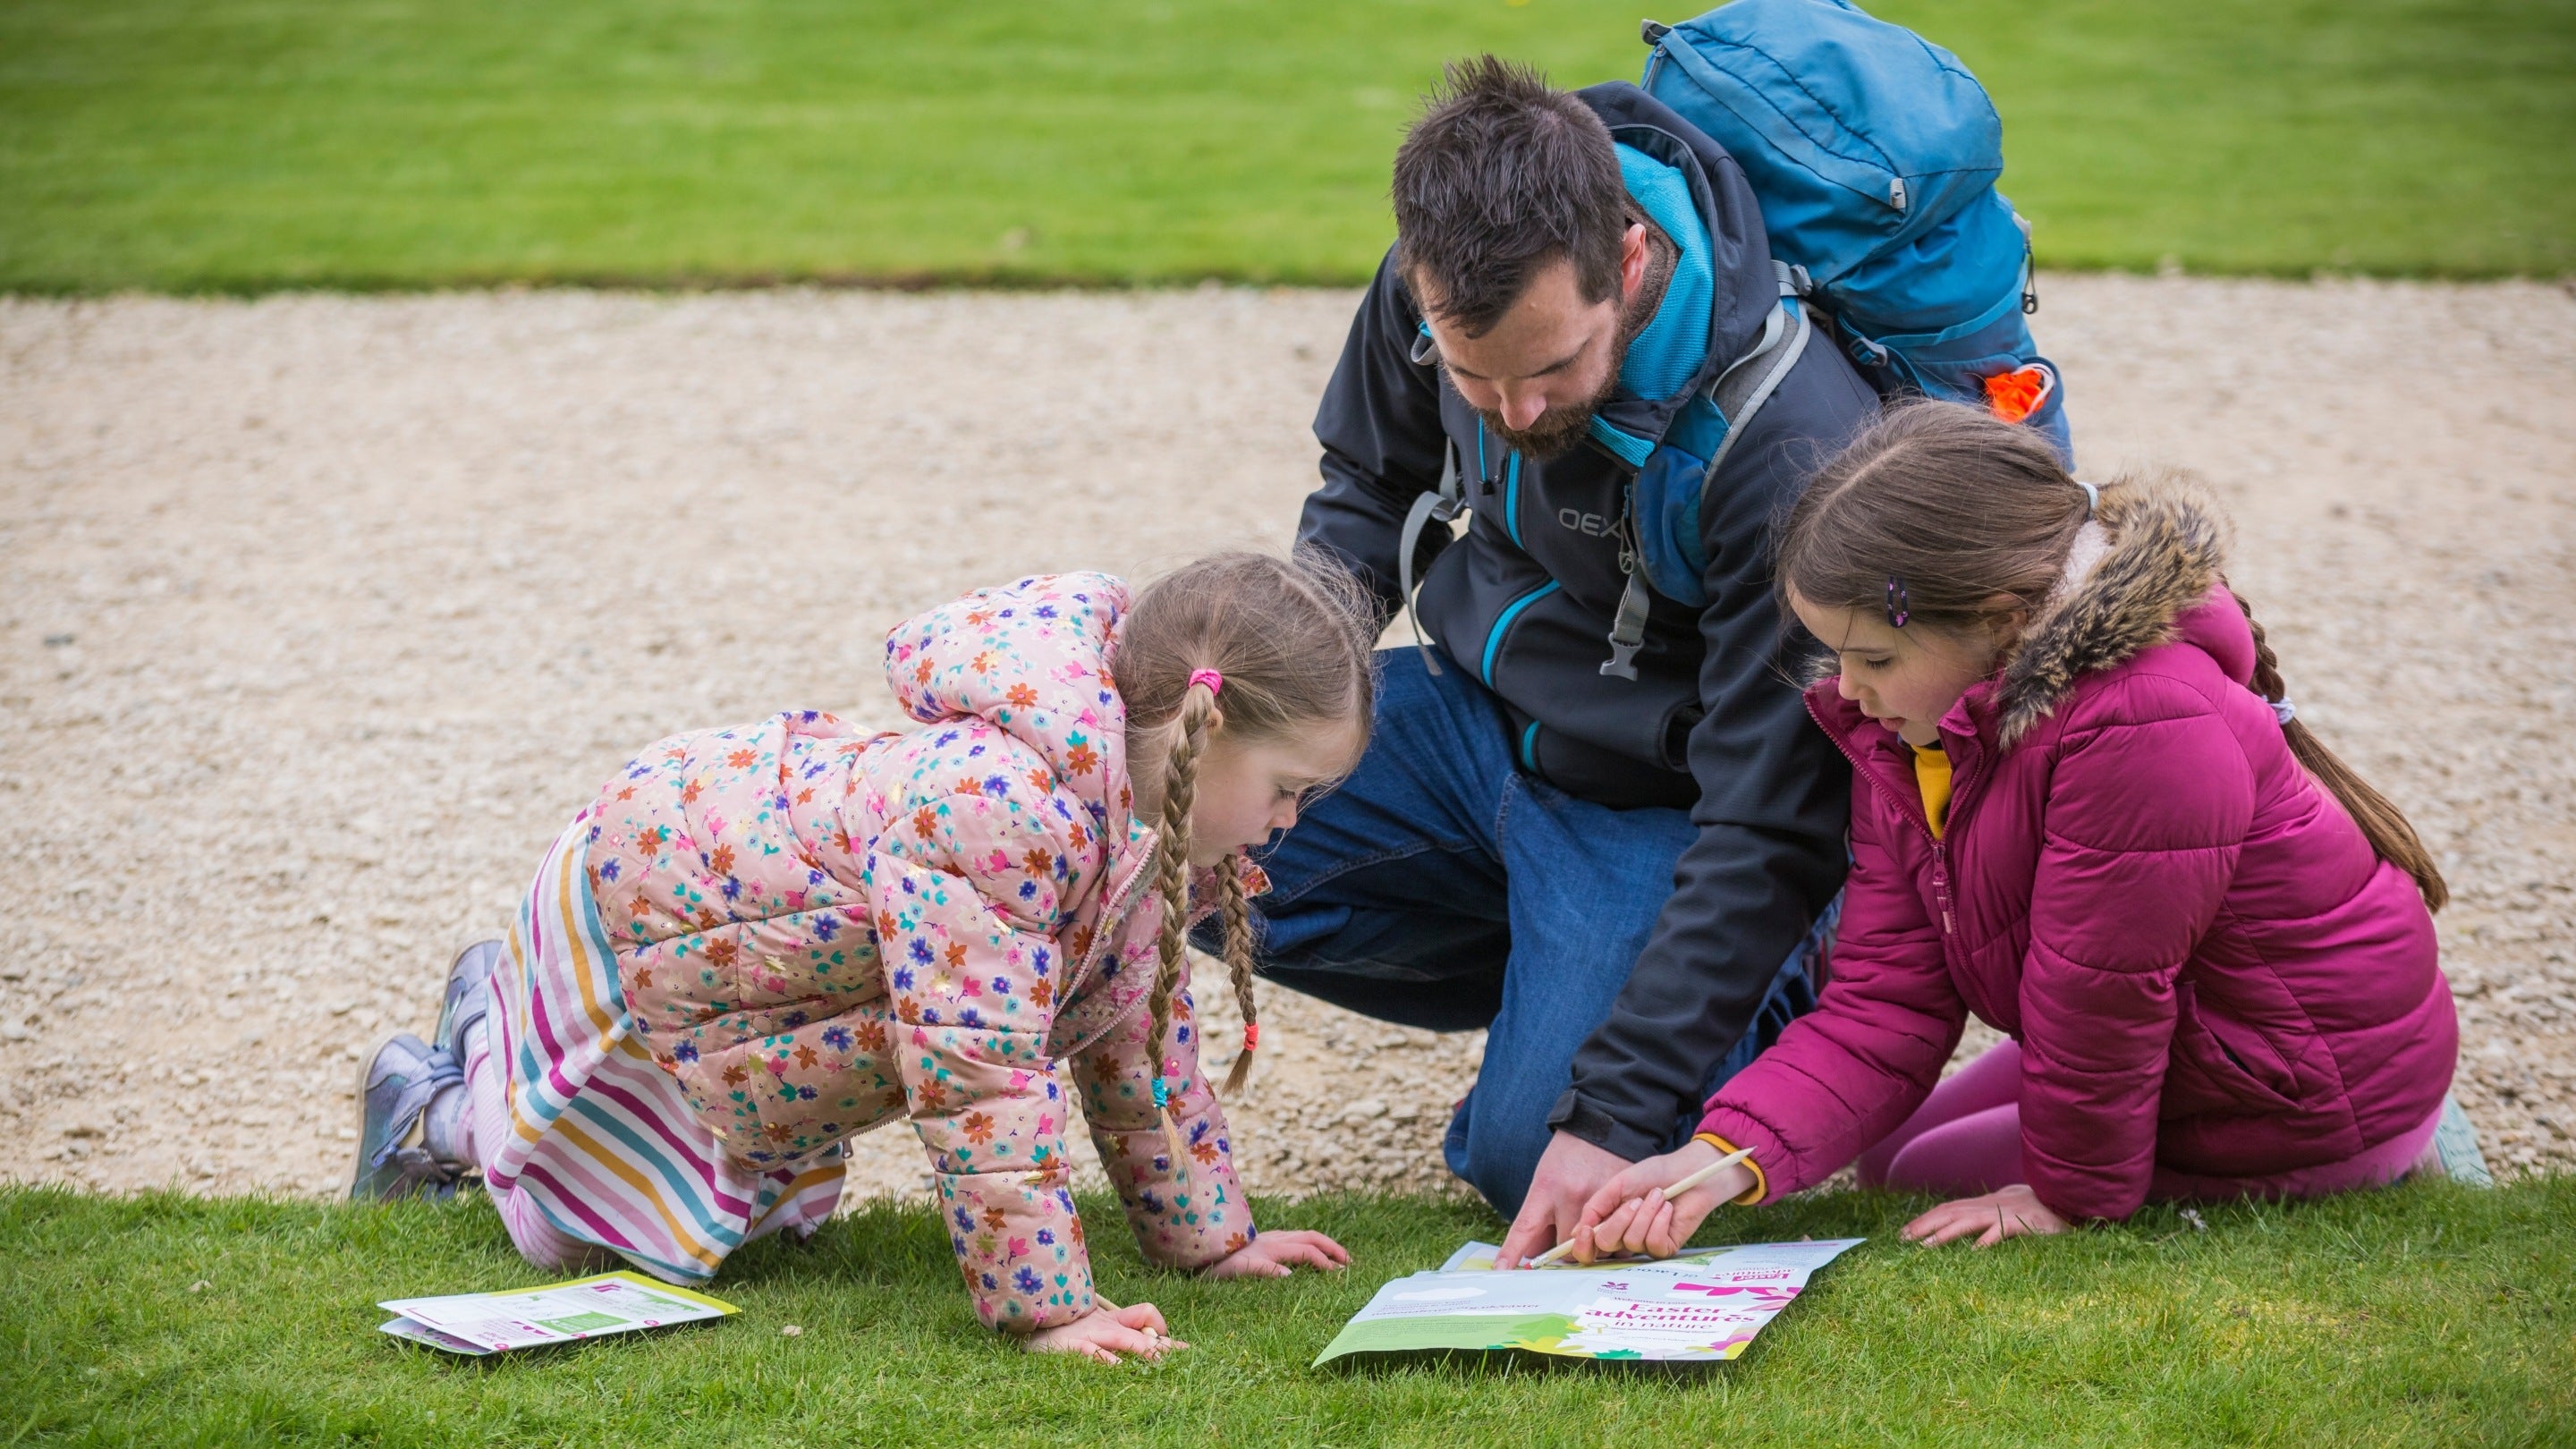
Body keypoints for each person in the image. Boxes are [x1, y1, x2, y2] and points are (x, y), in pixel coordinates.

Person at [350, 553, 1373, 1360]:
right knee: (565, 1230)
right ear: (1210, 725)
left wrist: (1214, 1241)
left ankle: (493, 1033)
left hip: (751, 964)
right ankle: (449, 1080)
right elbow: (977, 1070)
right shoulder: (1000, 809)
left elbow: (1135, 1048)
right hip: (648, 913)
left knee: (697, 1229)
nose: (1289, 820)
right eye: (1289, 785)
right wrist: (1047, 1311)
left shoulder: (1145, 828)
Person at [1566, 402, 2479, 1263]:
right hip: (2215, 1044)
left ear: (2001, 621)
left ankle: (2390, 1149)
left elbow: (2103, 996)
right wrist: (1722, 1160)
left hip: (2309, 1086)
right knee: (1895, 1158)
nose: (1845, 691)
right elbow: (1885, 1003)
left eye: (1874, 657)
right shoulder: (1913, 731)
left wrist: (2066, 1198)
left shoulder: (2143, 724)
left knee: (1921, 1172)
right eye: (1834, 655)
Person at [1236, 56, 1880, 1260]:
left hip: (1673, 803)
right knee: (1181, 839)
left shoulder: (1789, 447)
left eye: (1549, 370)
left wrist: (1615, 1109)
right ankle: (1564, 963)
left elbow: (1770, 818)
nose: (1511, 414)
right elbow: (1371, 486)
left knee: (1537, 1160)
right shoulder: (1442, 281)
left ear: (1627, 262)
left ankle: (1783, 979)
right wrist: (1276, 695)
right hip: (1485, 720)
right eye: (1472, 377)